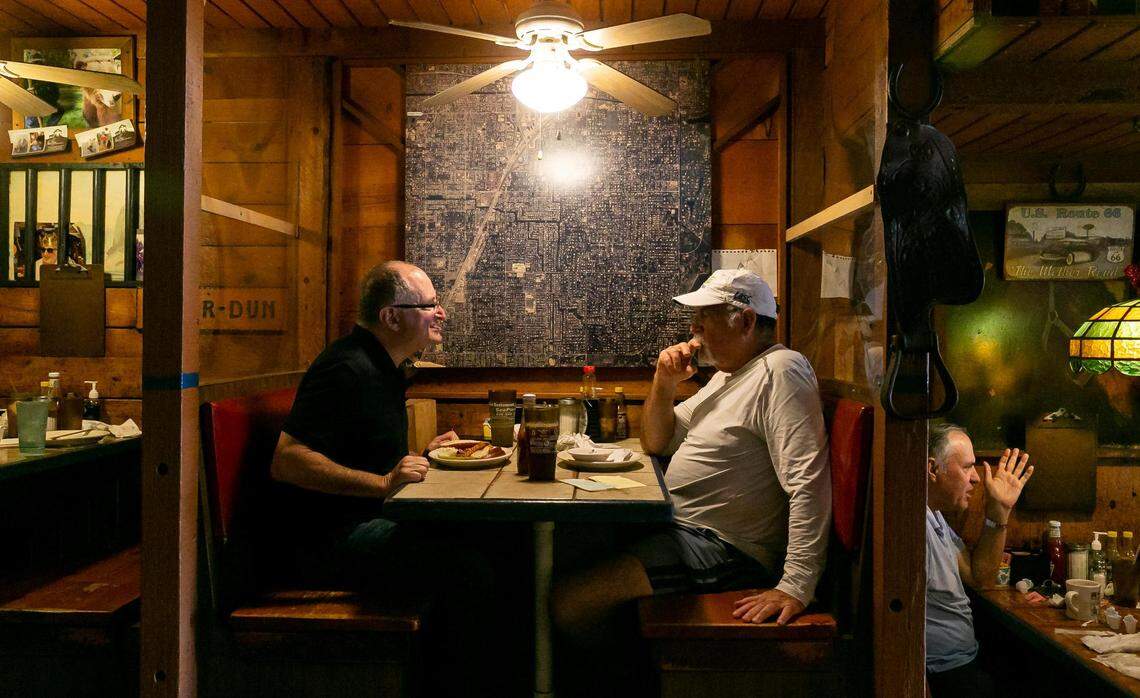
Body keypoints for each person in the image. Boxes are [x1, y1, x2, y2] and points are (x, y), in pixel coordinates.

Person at [552, 269, 832, 650]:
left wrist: (796, 585)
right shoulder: (727, 376)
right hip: (677, 526)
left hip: (725, 548)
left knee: (572, 602)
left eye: (703, 321)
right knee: (567, 543)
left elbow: (808, 484)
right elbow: (656, 440)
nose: (693, 333)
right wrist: (664, 383)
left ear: (746, 321)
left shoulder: (781, 372)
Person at [925, 421, 1033, 696]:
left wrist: (999, 511)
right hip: (942, 674)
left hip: (962, 661)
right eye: (966, 467)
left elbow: (979, 576)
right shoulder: (911, 523)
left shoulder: (933, 513)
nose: (976, 477)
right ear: (932, 469)